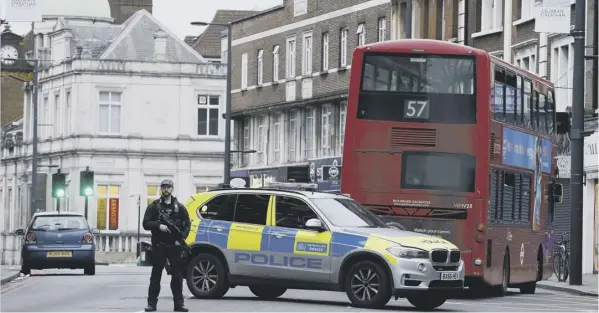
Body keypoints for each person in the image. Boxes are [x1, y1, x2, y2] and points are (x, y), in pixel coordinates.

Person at [142, 179, 190, 312]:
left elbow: (187, 224)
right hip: (159, 245)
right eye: (163, 187)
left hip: (174, 246)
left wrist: (181, 239)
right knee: (156, 275)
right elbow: (145, 223)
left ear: (172, 188)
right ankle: (152, 304)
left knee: (177, 276)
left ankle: (178, 304)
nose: (166, 189)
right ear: (160, 189)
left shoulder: (179, 207)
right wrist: (159, 225)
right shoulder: (154, 206)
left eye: (168, 187)